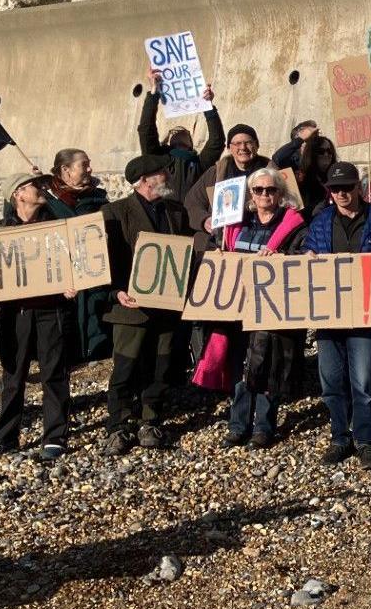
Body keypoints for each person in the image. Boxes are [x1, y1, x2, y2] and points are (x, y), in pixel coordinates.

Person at [306, 161, 371, 469]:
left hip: (364, 311)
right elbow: (308, 253)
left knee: (363, 380)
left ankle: (365, 439)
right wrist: (307, 258)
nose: (341, 194)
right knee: (331, 380)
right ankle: (339, 436)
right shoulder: (320, 222)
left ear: (359, 188)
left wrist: (360, 267)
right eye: (335, 189)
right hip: (329, 314)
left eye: (347, 187)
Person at [198, 168, 305, 449]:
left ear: (281, 194)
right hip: (236, 304)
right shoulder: (234, 223)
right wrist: (217, 252)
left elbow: (303, 256)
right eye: (259, 190)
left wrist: (281, 257)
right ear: (251, 195)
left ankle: (263, 427)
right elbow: (213, 249)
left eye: (271, 190)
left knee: (266, 364)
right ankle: (238, 424)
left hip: (270, 305)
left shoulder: (294, 225)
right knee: (239, 365)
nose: (265, 195)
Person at [0, 173, 79, 459]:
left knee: (54, 374)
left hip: (51, 311)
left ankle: (55, 436)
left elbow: (74, 258)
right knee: (12, 376)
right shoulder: (1, 229)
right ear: (19, 194)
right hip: (14, 314)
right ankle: (4, 436)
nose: (43, 188)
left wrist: (73, 282)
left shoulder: (56, 224)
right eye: (37, 185)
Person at [101, 155, 191, 455]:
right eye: (162, 172)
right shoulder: (115, 213)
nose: (168, 175)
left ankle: (151, 419)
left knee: (160, 367)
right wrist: (116, 293)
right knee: (125, 369)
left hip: (166, 308)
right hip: (130, 308)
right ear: (145, 181)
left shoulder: (175, 212)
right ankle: (119, 425)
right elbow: (103, 262)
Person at [42, 148, 114, 362]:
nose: (90, 169)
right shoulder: (48, 202)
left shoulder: (99, 201)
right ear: (66, 170)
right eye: (84, 164)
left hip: (93, 279)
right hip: (62, 280)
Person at [137, 72, 224, 200]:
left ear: (190, 143)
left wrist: (208, 106)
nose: (179, 131)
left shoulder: (199, 164)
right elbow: (146, 129)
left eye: (185, 131)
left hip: (188, 217)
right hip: (162, 216)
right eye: (174, 131)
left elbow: (217, 141)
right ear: (169, 141)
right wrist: (154, 94)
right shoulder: (157, 158)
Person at [184, 122, 271, 245]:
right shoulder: (216, 173)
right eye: (237, 143)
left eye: (248, 142)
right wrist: (204, 220)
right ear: (229, 148)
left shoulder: (273, 174)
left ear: (257, 145)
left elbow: (290, 205)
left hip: (258, 241)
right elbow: (193, 202)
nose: (243, 148)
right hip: (217, 242)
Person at [291, 135, 341, 212]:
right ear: (312, 154)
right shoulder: (302, 179)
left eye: (329, 151)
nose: (326, 154)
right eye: (321, 151)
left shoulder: (337, 175)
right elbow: (277, 161)